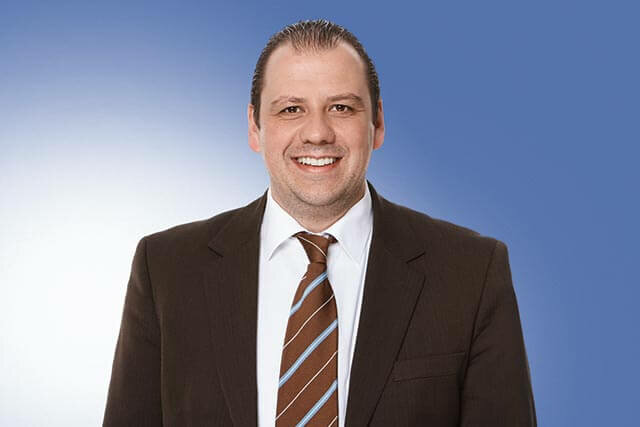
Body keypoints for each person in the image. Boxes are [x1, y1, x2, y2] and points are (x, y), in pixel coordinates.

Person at [103, 19, 536, 426]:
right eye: (291, 109)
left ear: (377, 124)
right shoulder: (166, 269)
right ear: (254, 127)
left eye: (341, 107)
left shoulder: (471, 273)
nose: (317, 133)